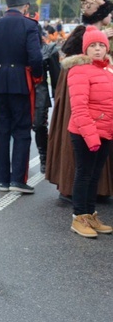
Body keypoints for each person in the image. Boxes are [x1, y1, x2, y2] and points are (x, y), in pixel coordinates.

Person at [46, 0, 113, 199]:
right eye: (109, 13)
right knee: (84, 141)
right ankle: (83, 200)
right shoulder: (87, 34)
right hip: (85, 95)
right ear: (101, 16)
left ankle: (88, 195)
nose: (111, 16)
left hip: (90, 94)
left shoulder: (87, 33)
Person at [0, 0, 43, 193]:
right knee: (22, 131)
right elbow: (35, 58)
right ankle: (18, 179)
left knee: (1, 132)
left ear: (8, 5)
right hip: (21, 83)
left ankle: (3, 180)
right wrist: (37, 77)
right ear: (25, 6)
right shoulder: (30, 25)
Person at [65, 26, 113, 237]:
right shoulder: (79, 70)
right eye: (92, 45)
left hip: (105, 132)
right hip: (85, 132)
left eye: (101, 45)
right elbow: (79, 108)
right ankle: (79, 217)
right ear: (85, 49)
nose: (97, 49)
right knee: (84, 175)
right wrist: (91, 136)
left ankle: (90, 214)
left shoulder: (108, 70)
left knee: (94, 176)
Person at [32, 25, 60, 174]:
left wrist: (58, 99)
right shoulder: (18, 47)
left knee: (39, 126)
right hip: (22, 92)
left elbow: (56, 79)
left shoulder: (47, 49)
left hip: (40, 93)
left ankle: (44, 158)